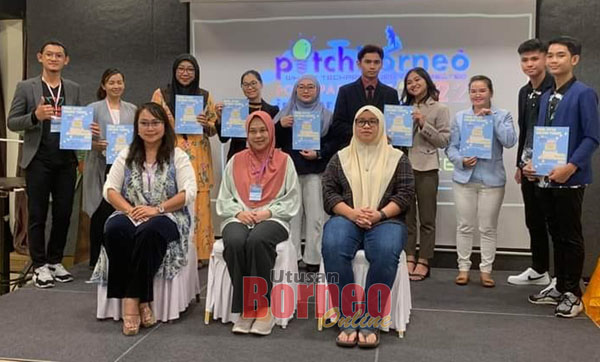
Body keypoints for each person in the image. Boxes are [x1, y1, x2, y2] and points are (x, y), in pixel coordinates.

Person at [99, 102, 196, 335]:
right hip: (131, 212)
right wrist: (130, 210)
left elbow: (188, 192)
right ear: (137, 127)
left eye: (155, 122)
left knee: (149, 232)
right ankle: (143, 301)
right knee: (115, 230)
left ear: (164, 126)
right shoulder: (127, 154)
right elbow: (110, 189)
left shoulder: (178, 156)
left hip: (168, 215)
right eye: (144, 123)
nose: (150, 128)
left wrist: (158, 209)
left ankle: (131, 301)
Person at [321, 106, 414, 348]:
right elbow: (329, 195)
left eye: (372, 121)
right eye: (361, 121)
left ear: (381, 125)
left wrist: (379, 214)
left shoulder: (398, 158)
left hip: (386, 220)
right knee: (333, 243)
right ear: (354, 125)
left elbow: (405, 195)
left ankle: (370, 319)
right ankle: (347, 316)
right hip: (347, 217)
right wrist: (352, 213)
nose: (366, 126)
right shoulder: (340, 157)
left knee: (385, 251)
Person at [524, 36, 599, 318]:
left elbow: (593, 137)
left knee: (570, 236)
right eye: (551, 56)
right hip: (546, 177)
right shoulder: (545, 97)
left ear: (574, 60)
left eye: (561, 55)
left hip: (571, 178)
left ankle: (573, 293)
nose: (554, 60)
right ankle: (559, 284)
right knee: (555, 232)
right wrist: (533, 163)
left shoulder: (584, 93)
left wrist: (571, 166)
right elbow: (542, 136)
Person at [216, 111, 300, 336]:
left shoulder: (285, 161)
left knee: (258, 240)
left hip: (273, 217)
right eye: (253, 131)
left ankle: (262, 308)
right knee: (234, 240)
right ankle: (246, 308)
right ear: (247, 134)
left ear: (271, 132)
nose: (258, 135)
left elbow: (292, 199)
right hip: (240, 215)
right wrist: (238, 211)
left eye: (263, 130)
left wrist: (268, 211)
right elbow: (224, 197)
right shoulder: (236, 160)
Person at [7, 40, 80, 288]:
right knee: (37, 214)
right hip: (38, 159)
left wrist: (85, 130)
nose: (54, 59)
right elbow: (12, 122)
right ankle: (39, 265)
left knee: (63, 214)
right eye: (49, 54)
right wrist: (34, 117)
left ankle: (55, 261)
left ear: (66, 60)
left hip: (66, 160)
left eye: (59, 55)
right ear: (40, 57)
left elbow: (76, 121)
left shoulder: (73, 88)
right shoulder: (26, 87)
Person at [445, 75, 517, 288]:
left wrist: (491, 120)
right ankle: (463, 268)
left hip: (492, 181)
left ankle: (486, 270)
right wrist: (460, 160)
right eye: (473, 91)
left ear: (490, 93)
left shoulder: (502, 115)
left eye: (482, 90)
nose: (477, 94)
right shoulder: (460, 117)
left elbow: (510, 141)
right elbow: (451, 147)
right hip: (464, 179)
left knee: (487, 228)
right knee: (464, 226)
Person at [151, 54, 217, 262]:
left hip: (199, 158)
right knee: (171, 200)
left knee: (198, 204)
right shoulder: (161, 95)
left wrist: (206, 123)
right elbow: (151, 122)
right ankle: (172, 251)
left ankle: (197, 255)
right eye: (181, 69)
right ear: (174, 71)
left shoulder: (205, 96)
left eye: (190, 69)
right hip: (171, 155)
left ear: (196, 73)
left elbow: (214, 129)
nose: (185, 73)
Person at [274, 75, 333, 272]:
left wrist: (318, 154)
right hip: (290, 172)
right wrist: (280, 126)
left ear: (317, 90)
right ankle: (293, 256)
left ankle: (313, 259)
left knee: (316, 217)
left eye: (310, 87)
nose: (306, 90)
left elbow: (332, 144)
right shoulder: (285, 114)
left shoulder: (326, 116)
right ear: (295, 90)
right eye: (301, 87)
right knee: (292, 216)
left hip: (316, 171)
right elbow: (273, 142)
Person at [507, 39, 554, 286]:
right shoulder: (524, 92)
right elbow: (524, 128)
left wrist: (544, 163)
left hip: (551, 167)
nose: (529, 64)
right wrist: (519, 164)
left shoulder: (556, 89)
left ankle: (561, 278)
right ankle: (539, 269)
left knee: (554, 223)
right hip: (527, 167)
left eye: (534, 59)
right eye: (525, 60)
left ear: (545, 59)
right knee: (533, 219)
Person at [400, 67, 450, 281]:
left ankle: (424, 259)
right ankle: (409, 256)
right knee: (407, 218)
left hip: (427, 167)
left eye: (417, 80)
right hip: (403, 168)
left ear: (426, 81)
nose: (413, 84)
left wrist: (423, 122)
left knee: (427, 218)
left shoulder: (440, 108)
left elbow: (444, 141)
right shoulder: (402, 109)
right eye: (409, 82)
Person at [83, 68, 136, 268]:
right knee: (100, 212)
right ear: (103, 85)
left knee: (121, 211)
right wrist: (95, 143)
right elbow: (79, 138)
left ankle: (119, 257)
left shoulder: (132, 109)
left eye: (119, 82)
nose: (116, 86)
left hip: (124, 167)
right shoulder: (93, 108)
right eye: (111, 82)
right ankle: (96, 261)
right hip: (100, 165)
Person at [323, 44, 399, 159]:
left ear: (381, 65)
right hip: (352, 152)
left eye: (376, 62)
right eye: (368, 62)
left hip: (382, 153)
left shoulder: (391, 93)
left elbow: (394, 125)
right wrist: (363, 134)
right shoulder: (346, 91)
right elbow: (338, 124)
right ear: (359, 64)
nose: (372, 66)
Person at [215, 70, 279, 161]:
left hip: (264, 160)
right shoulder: (234, 109)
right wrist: (220, 118)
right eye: (245, 84)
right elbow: (223, 139)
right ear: (242, 87)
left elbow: (276, 140)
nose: (250, 87)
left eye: (253, 83)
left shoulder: (273, 111)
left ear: (261, 84)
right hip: (238, 158)